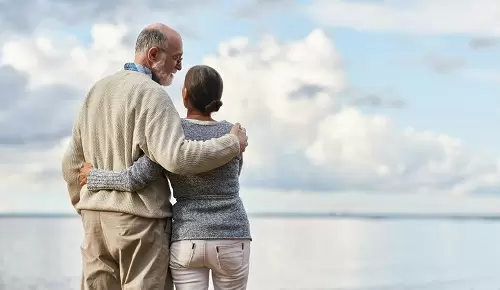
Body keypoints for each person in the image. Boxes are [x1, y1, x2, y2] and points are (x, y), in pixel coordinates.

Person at [61, 23, 249, 290]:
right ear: (153, 54)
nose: (180, 67)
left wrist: (85, 204)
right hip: (139, 225)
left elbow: (71, 164)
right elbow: (176, 158)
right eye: (176, 58)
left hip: (95, 222)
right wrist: (232, 143)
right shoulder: (153, 95)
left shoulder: (96, 90)